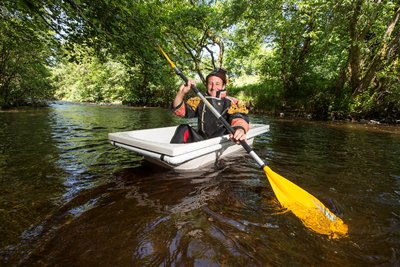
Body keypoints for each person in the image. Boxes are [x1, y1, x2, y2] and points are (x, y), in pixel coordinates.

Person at [170, 68, 249, 144]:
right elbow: (180, 111)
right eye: (210, 84)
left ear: (223, 86)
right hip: (202, 140)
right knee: (183, 128)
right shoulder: (199, 100)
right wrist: (181, 93)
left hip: (222, 139)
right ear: (206, 85)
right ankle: (173, 152)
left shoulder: (232, 102)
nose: (213, 87)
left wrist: (240, 130)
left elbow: (239, 118)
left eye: (217, 84)